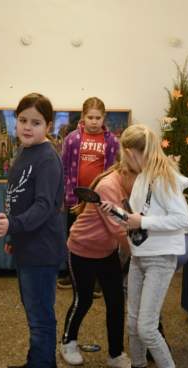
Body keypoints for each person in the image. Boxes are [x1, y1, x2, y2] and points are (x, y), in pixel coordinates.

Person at [104, 124, 188, 368]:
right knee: (133, 324)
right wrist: (119, 214)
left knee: (146, 327)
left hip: (159, 259)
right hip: (140, 256)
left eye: (123, 154)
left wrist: (141, 221)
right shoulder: (143, 177)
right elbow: (140, 217)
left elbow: (183, 219)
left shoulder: (164, 178)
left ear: (131, 152)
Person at [0, 93, 65, 368]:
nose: (27, 127)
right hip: (27, 245)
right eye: (22, 120)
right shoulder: (26, 151)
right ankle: (43, 365)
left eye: (35, 122)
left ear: (48, 125)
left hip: (42, 250)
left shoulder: (47, 158)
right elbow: (18, 197)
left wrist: (13, 225)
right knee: (35, 311)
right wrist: (15, 237)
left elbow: (44, 206)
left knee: (40, 318)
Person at [59, 160, 136, 368]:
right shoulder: (109, 186)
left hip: (106, 252)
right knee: (83, 300)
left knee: (116, 301)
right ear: (127, 172)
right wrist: (140, 252)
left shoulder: (127, 184)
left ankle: (115, 354)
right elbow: (117, 228)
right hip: (81, 251)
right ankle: (67, 342)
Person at [58, 97, 120, 296]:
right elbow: (64, 168)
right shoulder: (72, 139)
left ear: (104, 118)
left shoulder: (112, 141)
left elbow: (115, 169)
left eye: (97, 118)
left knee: (99, 237)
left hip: (100, 199)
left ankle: (97, 279)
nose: (94, 121)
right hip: (75, 198)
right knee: (74, 235)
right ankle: (73, 274)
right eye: (90, 117)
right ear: (83, 117)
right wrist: (63, 193)